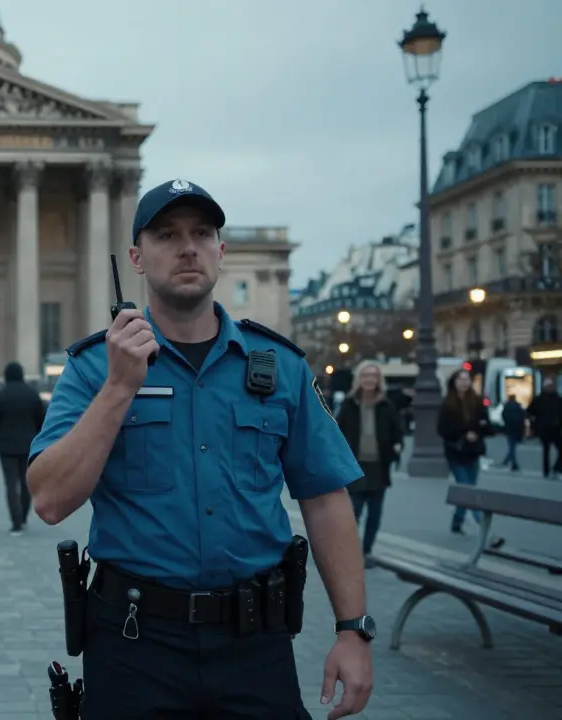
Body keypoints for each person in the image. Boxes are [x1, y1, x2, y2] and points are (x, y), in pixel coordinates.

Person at [27, 179, 373, 719]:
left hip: (255, 640)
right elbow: (49, 500)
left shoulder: (279, 365)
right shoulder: (94, 367)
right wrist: (120, 388)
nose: (188, 246)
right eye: (168, 234)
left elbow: (325, 498)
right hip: (135, 642)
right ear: (137, 259)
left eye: (202, 232)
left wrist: (353, 630)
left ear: (221, 251)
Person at [333, 360, 404, 562]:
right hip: (356, 467)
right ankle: (350, 552)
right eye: (365, 376)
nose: (369, 380)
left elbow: (397, 431)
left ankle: (366, 551)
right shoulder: (349, 404)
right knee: (353, 513)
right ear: (359, 379)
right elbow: (337, 432)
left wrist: (397, 445)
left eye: (373, 376)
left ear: (379, 380)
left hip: (379, 467)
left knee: (374, 515)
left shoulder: (386, 405)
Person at [0, 361, 46, 534]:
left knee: (11, 484)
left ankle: (16, 520)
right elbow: (41, 417)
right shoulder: (32, 394)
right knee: (27, 482)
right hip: (29, 444)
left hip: (6, 445)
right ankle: (24, 515)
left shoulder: (1, 395)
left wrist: (1, 431)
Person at [439, 369, 495, 534]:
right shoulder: (447, 404)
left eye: (466, 379)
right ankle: (486, 531)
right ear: (454, 383)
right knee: (468, 490)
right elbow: (442, 430)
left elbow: (489, 427)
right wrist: (466, 431)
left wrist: (477, 431)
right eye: (460, 380)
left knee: (467, 489)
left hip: (473, 452)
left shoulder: (477, 402)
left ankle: (457, 522)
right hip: (455, 452)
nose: (464, 383)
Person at [526, 378, 561, 478]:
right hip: (547, 428)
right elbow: (530, 412)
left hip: (552, 428)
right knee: (546, 450)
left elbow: (530, 412)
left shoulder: (543, 399)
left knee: (548, 450)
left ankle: (554, 469)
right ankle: (548, 470)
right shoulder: (548, 399)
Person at [500, 393, 526, 471]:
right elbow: (523, 417)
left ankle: (511, 462)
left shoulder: (506, 406)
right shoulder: (518, 406)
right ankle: (510, 462)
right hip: (517, 429)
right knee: (513, 446)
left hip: (509, 428)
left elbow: (503, 415)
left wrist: (505, 424)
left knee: (511, 446)